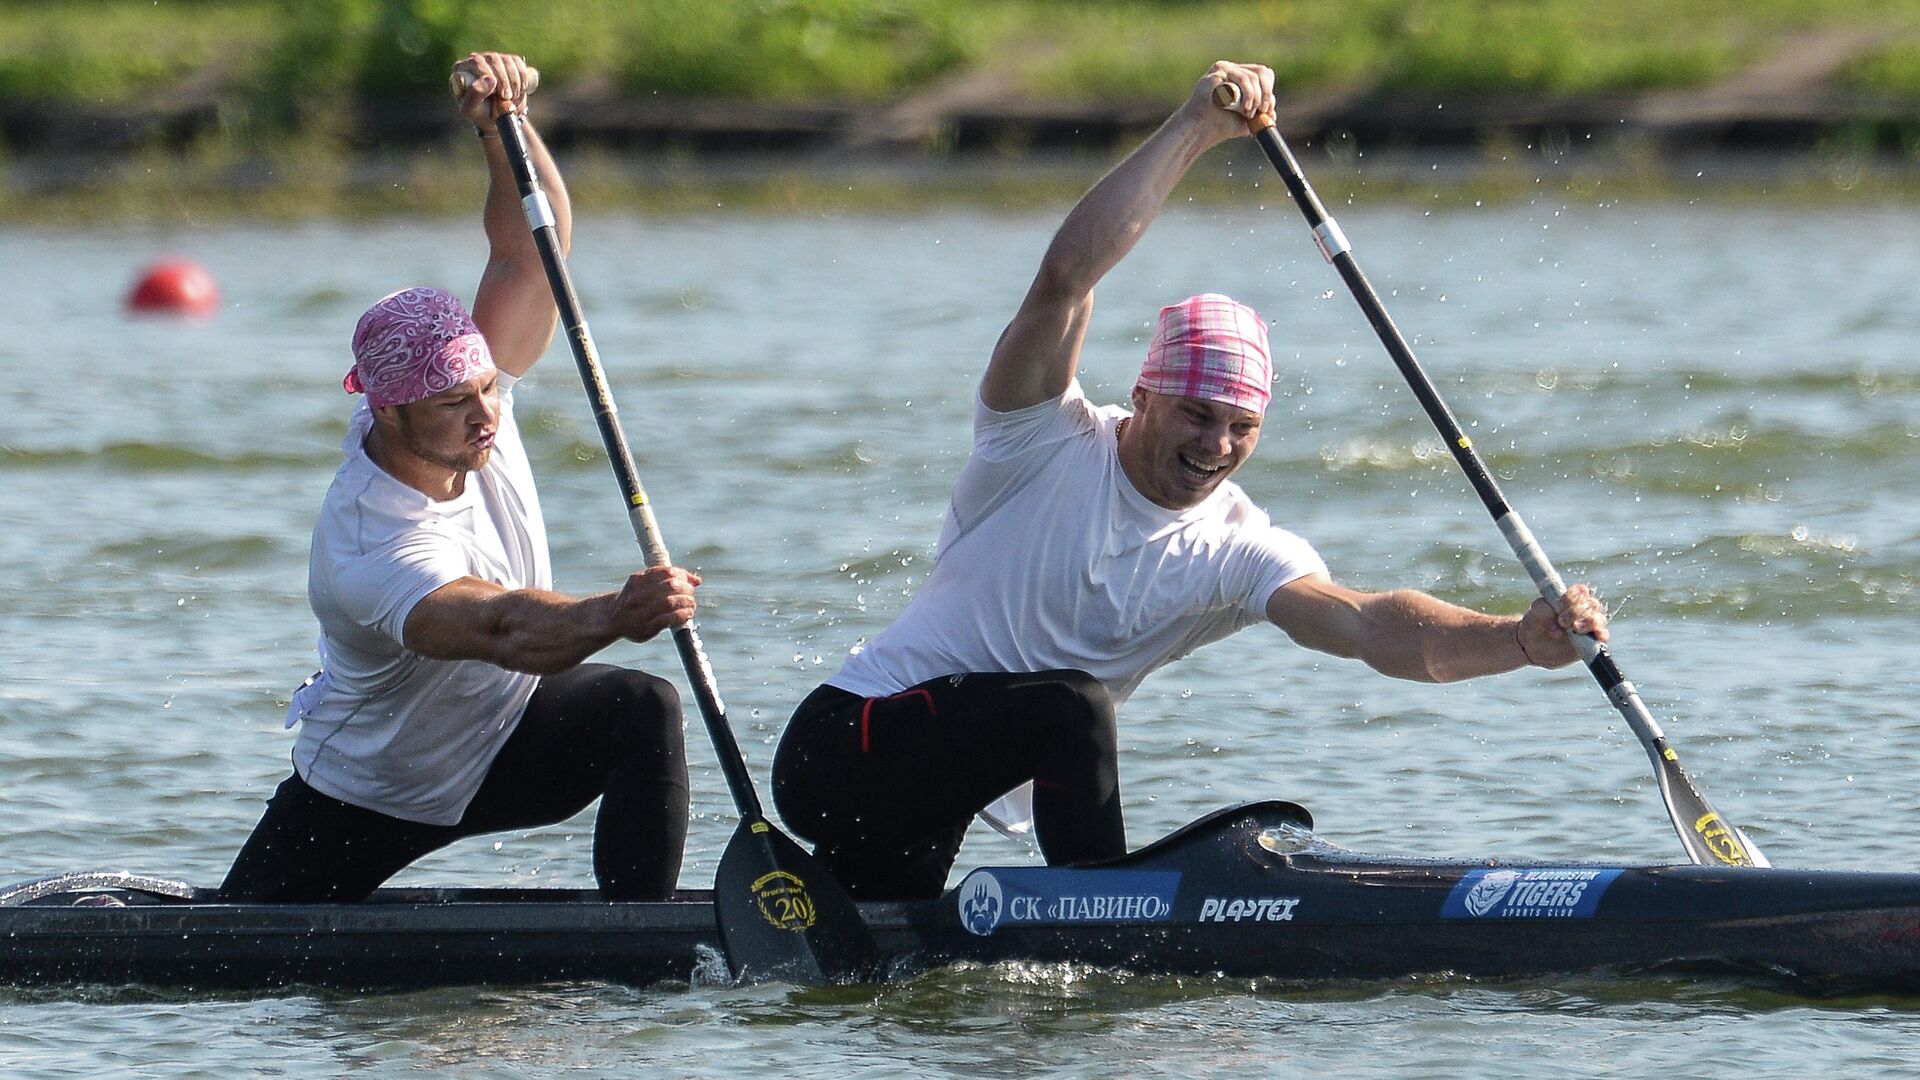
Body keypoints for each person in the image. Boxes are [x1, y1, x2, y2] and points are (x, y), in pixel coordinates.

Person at [770, 60, 1611, 900]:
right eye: (1196, 415)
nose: (1215, 445)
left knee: (876, 964)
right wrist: (1196, 129)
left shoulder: (1235, 549)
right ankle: (1102, 915)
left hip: (933, 795)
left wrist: (1517, 641)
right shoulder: (1038, 438)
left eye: (1241, 426)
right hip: (841, 748)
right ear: (1142, 396)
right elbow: (1067, 278)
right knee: (1072, 707)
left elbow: (1371, 627)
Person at [221, 53, 698, 903]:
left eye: (486, 387)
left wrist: (501, 125)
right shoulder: (370, 544)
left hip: (509, 737)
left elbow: (531, 249)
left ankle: (647, 948)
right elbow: (504, 629)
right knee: (236, 951)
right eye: (454, 403)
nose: (486, 415)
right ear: (390, 413)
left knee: (643, 707)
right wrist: (618, 613)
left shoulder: (480, 408)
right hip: (371, 790)